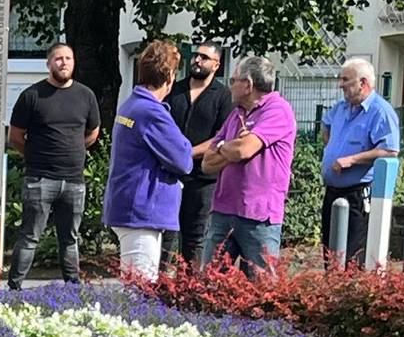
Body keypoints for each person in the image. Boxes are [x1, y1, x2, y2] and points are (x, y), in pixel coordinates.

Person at [5, 43, 102, 288]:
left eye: (68, 58)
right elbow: (15, 137)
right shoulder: (32, 96)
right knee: (29, 237)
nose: (64, 63)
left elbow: (93, 132)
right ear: (49, 63)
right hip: (39, 179)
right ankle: (13, 289)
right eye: (58, 59)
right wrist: (36, 155)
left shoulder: (85, 95)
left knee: (70, 240)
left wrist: (75, 151)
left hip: (74, 181)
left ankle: (73, 289)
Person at [193, 55, 298, 274]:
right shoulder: (235, 115)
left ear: (248, 85)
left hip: (258, 216)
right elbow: (207, 163)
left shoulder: (277, 110)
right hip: (224, 210)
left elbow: (244, 150)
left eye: (234, 81)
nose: (229, 85)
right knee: (209, 281)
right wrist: (230, 146)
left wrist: (226, 147)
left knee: (261, 287)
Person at [105, 40, 195, 279]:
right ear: (170, 77)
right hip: (143, 211)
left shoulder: (131, 106)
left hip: (130, 206)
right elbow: (183, 160)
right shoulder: (152, 112)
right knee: (140, 293)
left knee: (137, 289)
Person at [317, 57, 402, 262]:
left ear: (362, 83)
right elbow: (325, 126)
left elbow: (390, 150)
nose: (341, 84)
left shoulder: (380, 111)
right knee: (331, 253)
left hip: (357, 195)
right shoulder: (341, 107)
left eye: (346, 79)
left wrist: (352, 159)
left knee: (351, 256)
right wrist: (332, 149)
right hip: (332, 192)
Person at [164, 42, 235, 265]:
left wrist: (188, 153)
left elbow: (222, 136)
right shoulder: (175, 90)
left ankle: (190, 290)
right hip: (170, 174)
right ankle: (158, 289)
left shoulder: (224, 96)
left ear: (216, 65)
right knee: (166, 234)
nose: (197, 60)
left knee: (195, 237)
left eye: (204, 57)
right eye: (196, 55)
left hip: (202, 178)